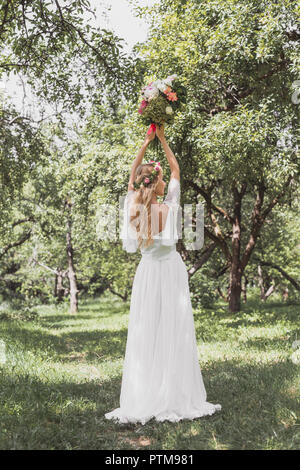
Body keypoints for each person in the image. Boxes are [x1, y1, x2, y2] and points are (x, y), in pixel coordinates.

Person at [105, 124, 221, 424]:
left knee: (148, 328)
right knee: (173, 328)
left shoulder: (133, 206)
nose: (162, 181)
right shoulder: (169, 206)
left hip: (147, 273)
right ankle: (174, 393)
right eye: (158, 179)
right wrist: (163, 140)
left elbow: (132, 177)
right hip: (171, 271)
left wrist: (145, 143)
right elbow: (176, 169)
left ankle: (146, 393)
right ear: (156, 184)